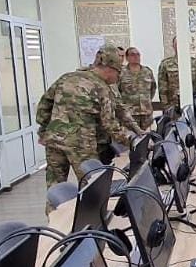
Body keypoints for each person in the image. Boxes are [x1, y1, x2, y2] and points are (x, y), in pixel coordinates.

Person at [36, 45, 139, 208]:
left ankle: (56, 225)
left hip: (54, 141)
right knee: (91, 187)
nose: (117, 78)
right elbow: (110, 124)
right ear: (110, 69)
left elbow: (44, 105)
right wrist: (133, 141)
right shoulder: (101, 87)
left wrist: (44, 130)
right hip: (81, 144)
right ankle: (91, 227)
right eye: (118, 73)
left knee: (55, 187)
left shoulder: (67, 78)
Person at [157, 36, 196, 112]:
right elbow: (162, 88)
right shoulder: (166, 64)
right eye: (177, 44)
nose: (180, 46)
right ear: (173, 46)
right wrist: (166, 107)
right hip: (173, 106)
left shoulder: (195, 63)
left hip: (193, 105)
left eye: (182, 43)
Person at [117, 46, 157, 131]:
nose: (136, 57)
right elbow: (117, 91)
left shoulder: (147, 71)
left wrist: (146, 101)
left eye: (138, 54)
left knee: (147, 139)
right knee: (131, 139)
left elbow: (152, 89)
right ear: (127, 58)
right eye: (132, 54)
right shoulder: (121, 72)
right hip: (129, 114)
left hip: (146, 113)